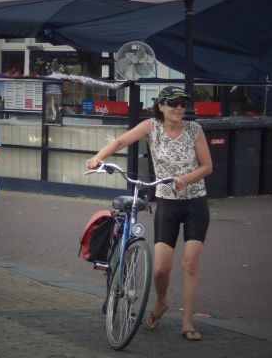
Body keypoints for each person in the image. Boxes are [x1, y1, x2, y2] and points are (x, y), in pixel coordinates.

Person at [86, 86, 213, 341]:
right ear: (161, 107)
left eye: (182, 104)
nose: (179, 108)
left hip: (195, 203)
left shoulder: (194, 130)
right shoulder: (151, 127)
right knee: (160, 269)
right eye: (173, 103)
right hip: (167, 204)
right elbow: (122, 141)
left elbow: (208, 166)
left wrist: (185, 179)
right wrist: (97, 157)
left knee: (189, 264)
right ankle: (161, 303)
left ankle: (187, 322)